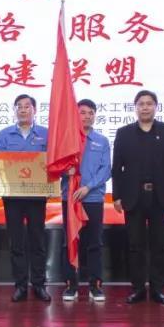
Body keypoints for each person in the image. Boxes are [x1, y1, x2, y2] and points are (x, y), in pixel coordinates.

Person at [111, 89, 164, 305]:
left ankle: (158, 289)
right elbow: (117, 168)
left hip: (161, 197)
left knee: (159, 245)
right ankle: (138, 289)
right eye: (141, 104)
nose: (145, 107)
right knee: (135, 246)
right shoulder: (124, 133)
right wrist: (117, 196)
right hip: (133, 197)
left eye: (149, 103)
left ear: (156, 107)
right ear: (135, 108)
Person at [0, 94, 51, 303]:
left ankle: (39, 285)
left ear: (35, 110)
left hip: (37, 197)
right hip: (13, 197)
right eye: (19, 106)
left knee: (38, 242)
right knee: (16, 243)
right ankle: (20, 285)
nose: (23, 110)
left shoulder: (46, 134)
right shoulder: (4, 135)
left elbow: (53, 162)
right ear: (15, 110)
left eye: (27, 106)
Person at [60, 98, 111, 303]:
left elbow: (106, 170)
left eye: (91, 113)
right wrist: (66, 171)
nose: (87, 116)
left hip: (93, 198)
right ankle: (71, 285)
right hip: (70, 198)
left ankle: (95, 285)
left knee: (94, 242)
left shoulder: (102, 141)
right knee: (70, 242)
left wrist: (88, 187)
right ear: (75, 115)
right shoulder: (66, 140)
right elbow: (55, 167)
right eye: (82, 112)